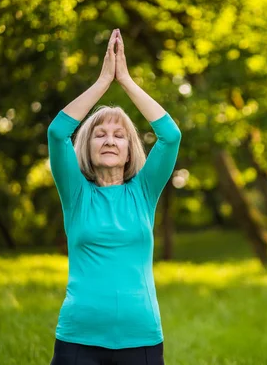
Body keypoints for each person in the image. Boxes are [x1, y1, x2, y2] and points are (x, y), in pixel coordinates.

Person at [48, 28, 181, 365]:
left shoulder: (144, 192)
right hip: (78, 339)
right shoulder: (76, 194)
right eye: (99, 135)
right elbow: (57, 132)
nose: (109, 140)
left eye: (119, 136)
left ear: (128, 151)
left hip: (141, 338)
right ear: (87, 149)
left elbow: (170, 135)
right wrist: (103, 81)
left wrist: (125, 80)